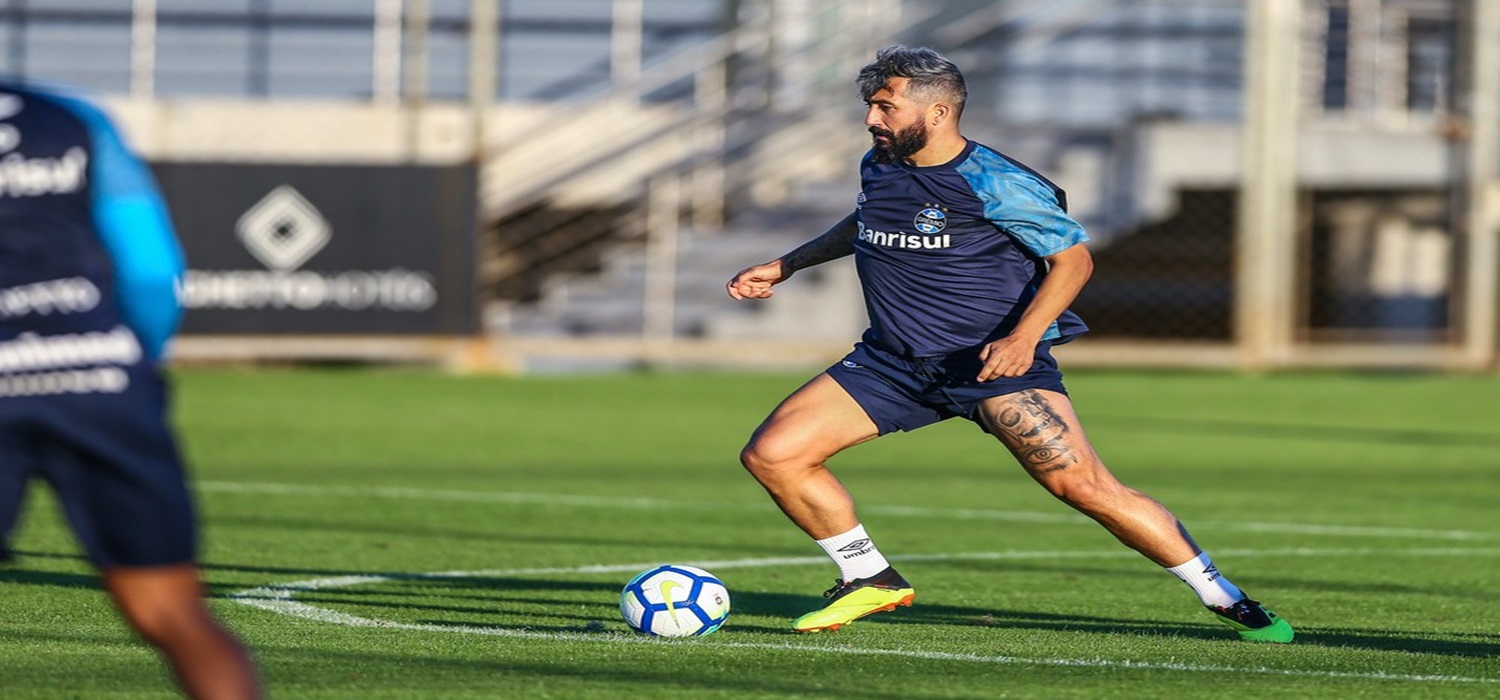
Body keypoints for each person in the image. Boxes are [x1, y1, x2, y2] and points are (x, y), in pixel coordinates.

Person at [726, 46, 1293, 643]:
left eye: (885, 106)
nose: (872, 118)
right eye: (872, 105)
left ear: (939, 111)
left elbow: (1072, 261)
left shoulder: (994, 181)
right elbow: (866, 222)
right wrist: (787, 264)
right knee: (774, 455)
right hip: (891, 363)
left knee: (1083, 487)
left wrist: (1023, 339)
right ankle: (870, 577)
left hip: (993, 366)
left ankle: (1225, 597)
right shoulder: (882, 162)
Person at [0, 80, 264, 698]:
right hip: (99, 375)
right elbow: (151, 270)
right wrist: (132, 361)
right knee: (171, 613)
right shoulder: (70, 118)